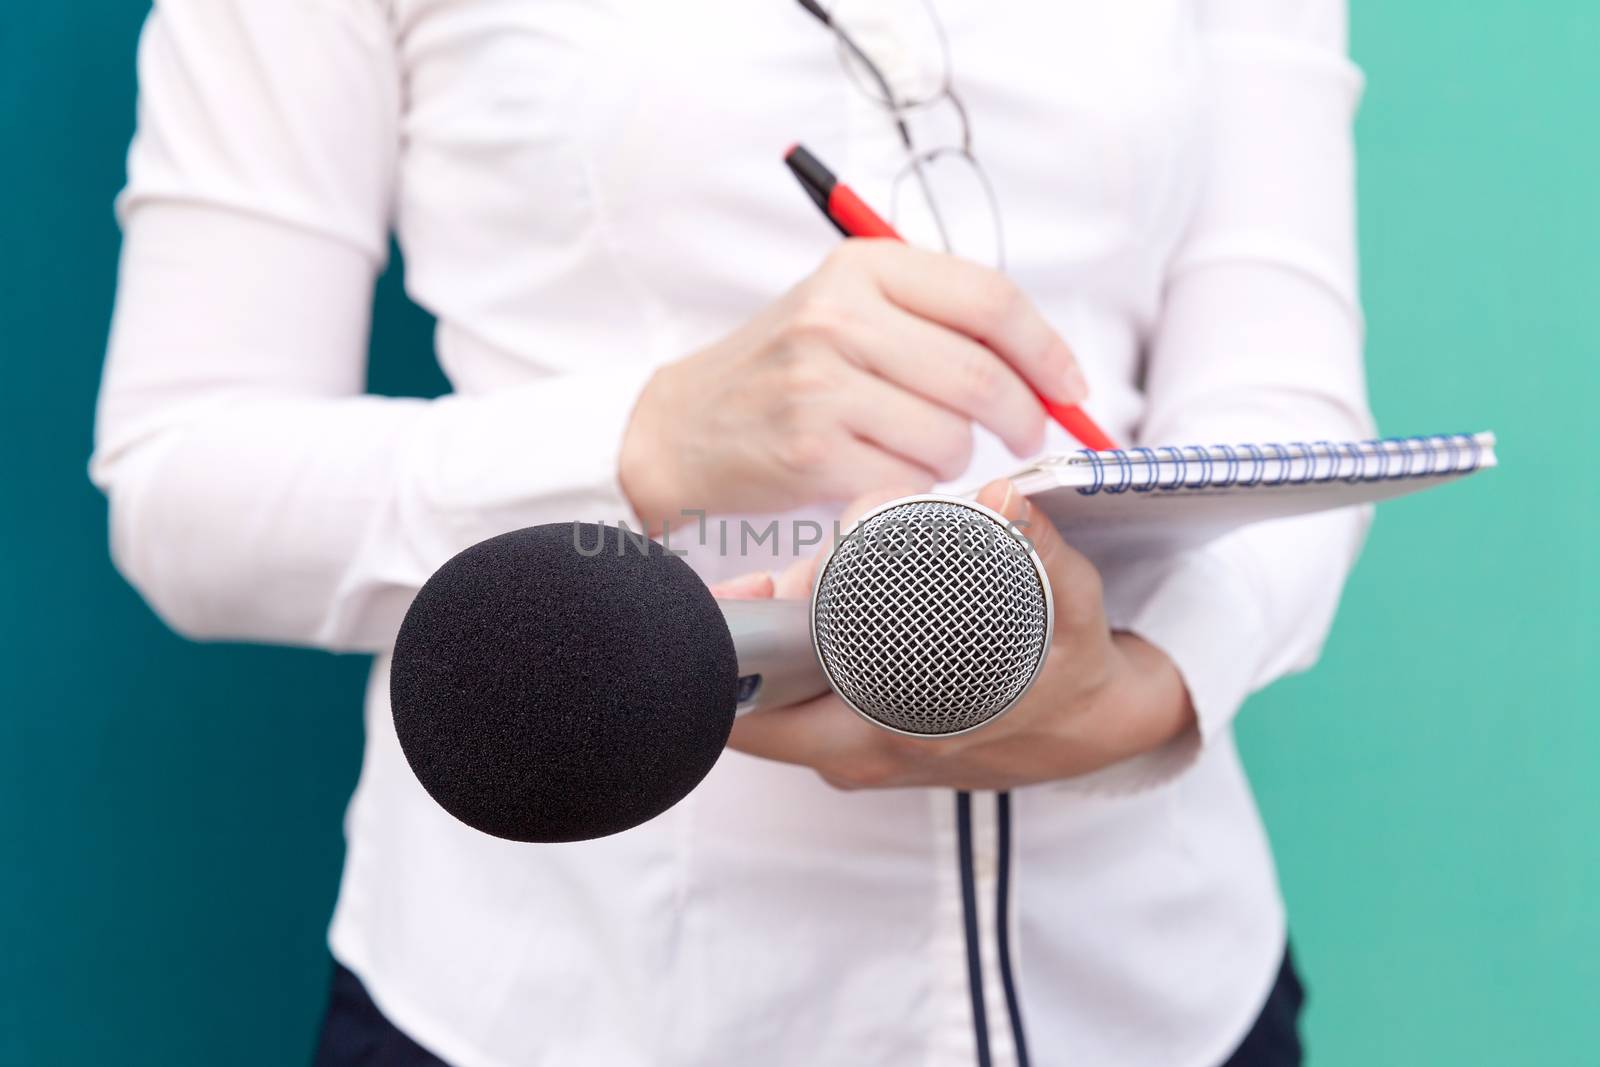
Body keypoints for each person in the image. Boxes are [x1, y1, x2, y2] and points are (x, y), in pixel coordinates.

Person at [90, 1, 1371, 1065]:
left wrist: (1149, 690)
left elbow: (1284, 407)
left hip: (1160, 991)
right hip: (571, 1000)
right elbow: (181, 484)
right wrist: (639, 445)